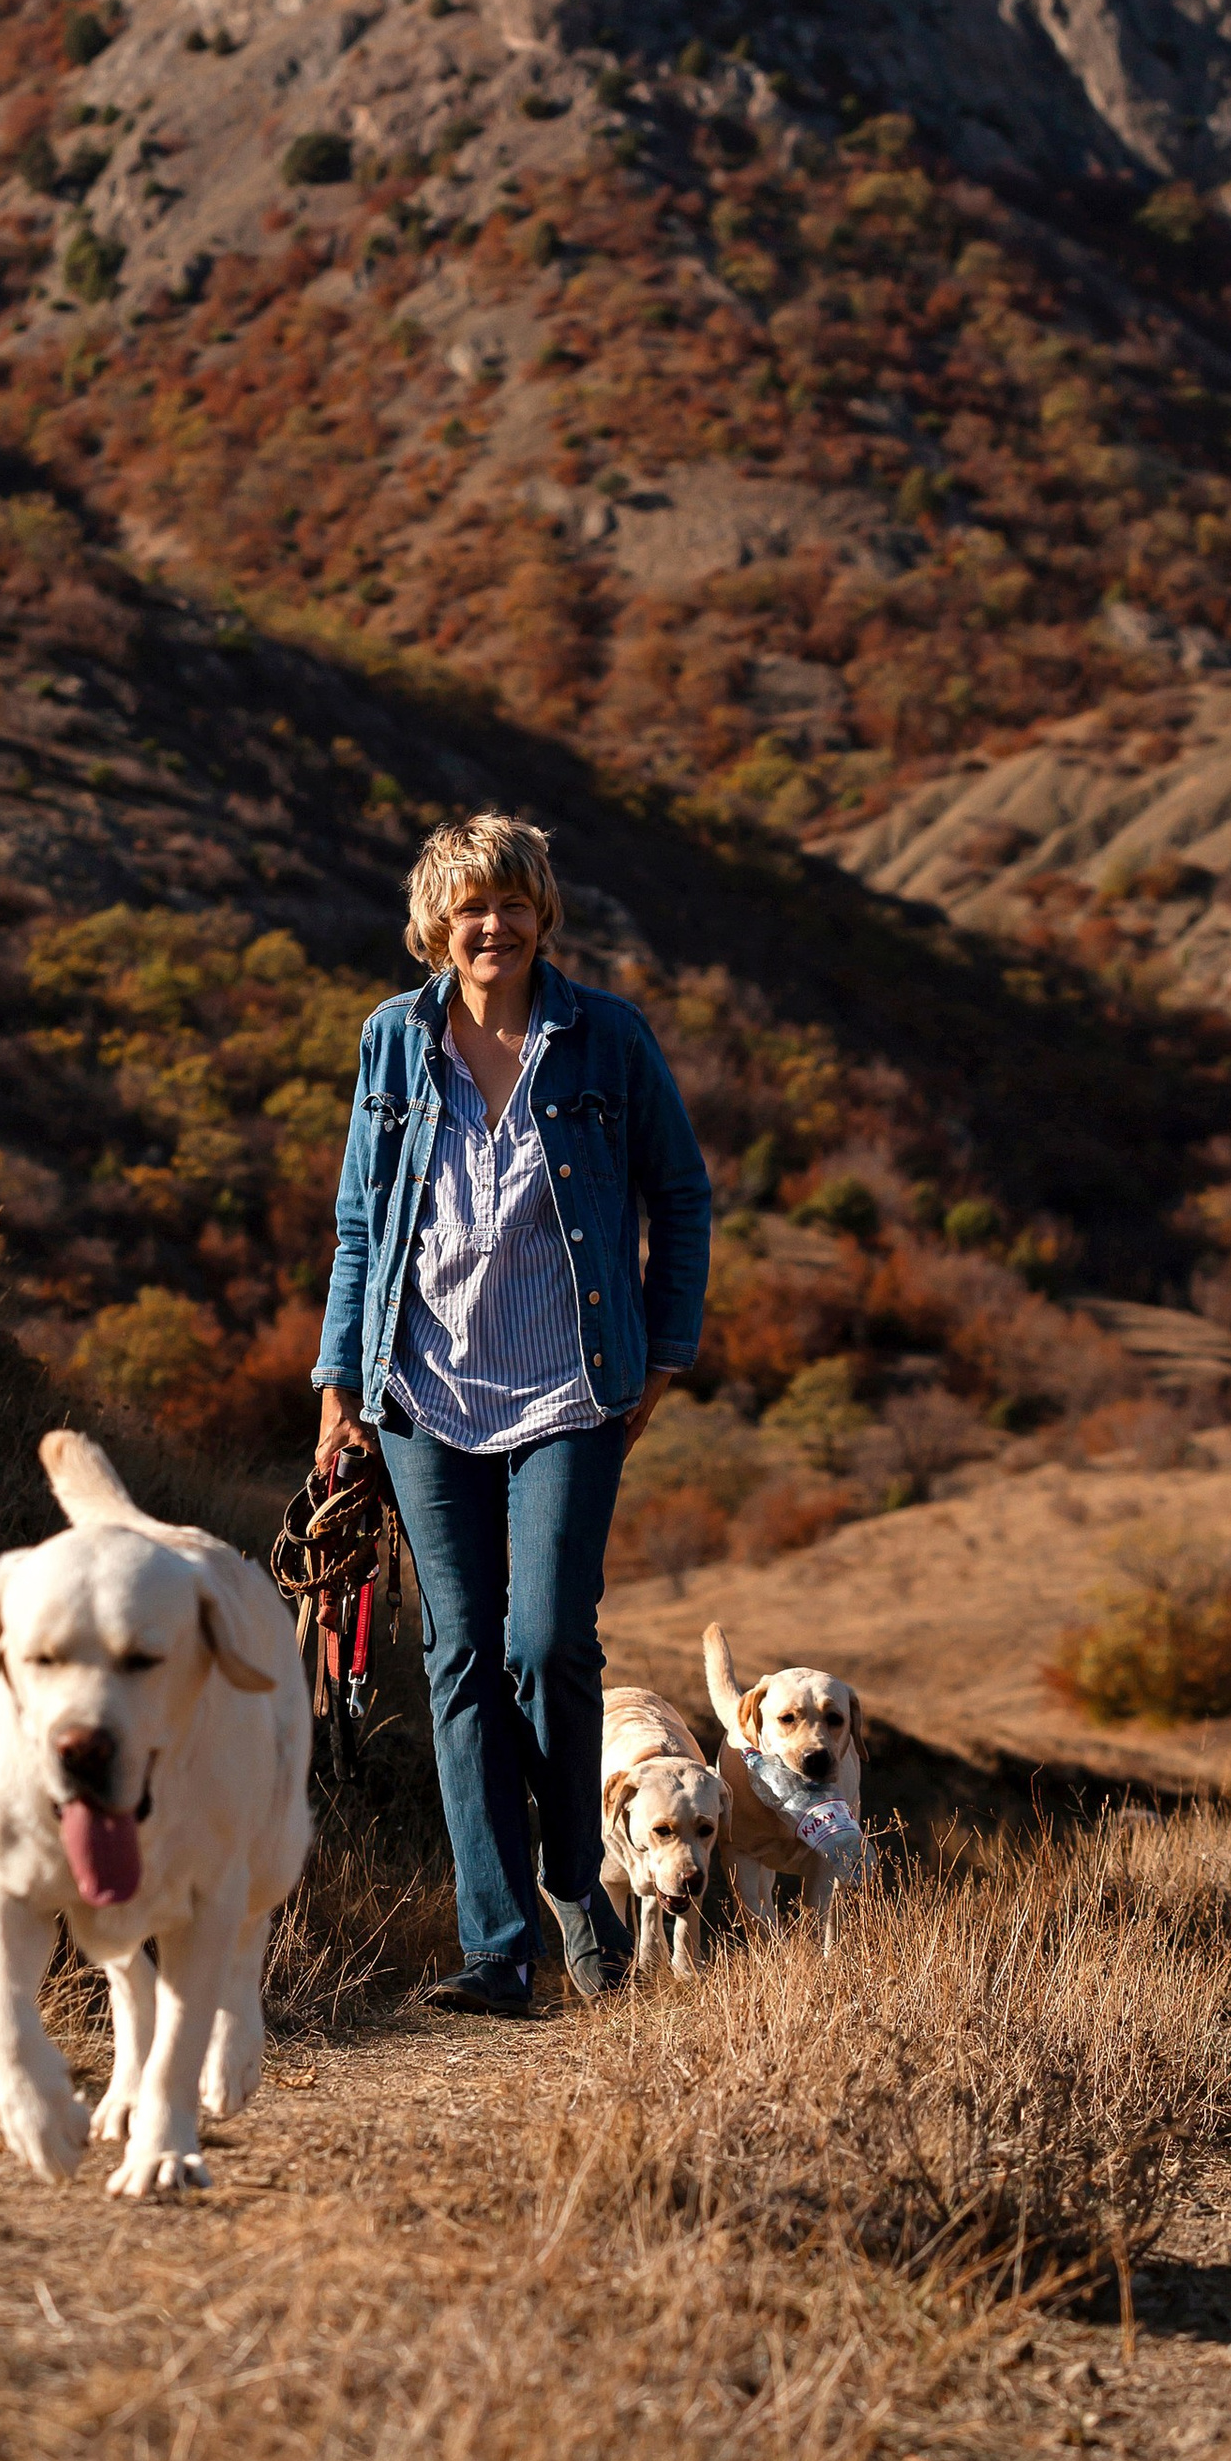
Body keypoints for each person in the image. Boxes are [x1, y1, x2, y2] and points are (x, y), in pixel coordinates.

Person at [312, 813, 712, 2013]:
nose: (493, 927)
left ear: (543, 916)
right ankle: (498, 1949)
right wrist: (339, 1389)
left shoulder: (607, 1043)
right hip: (421, 1395)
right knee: (460, 1658)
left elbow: (680, 1199)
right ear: (439, 923)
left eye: (514, 906)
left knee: (545, 1641)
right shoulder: (394, 1042)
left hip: (571, 1388)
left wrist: (663, 1356)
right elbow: (356, 1230)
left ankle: (576, 1889)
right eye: (469, 908)